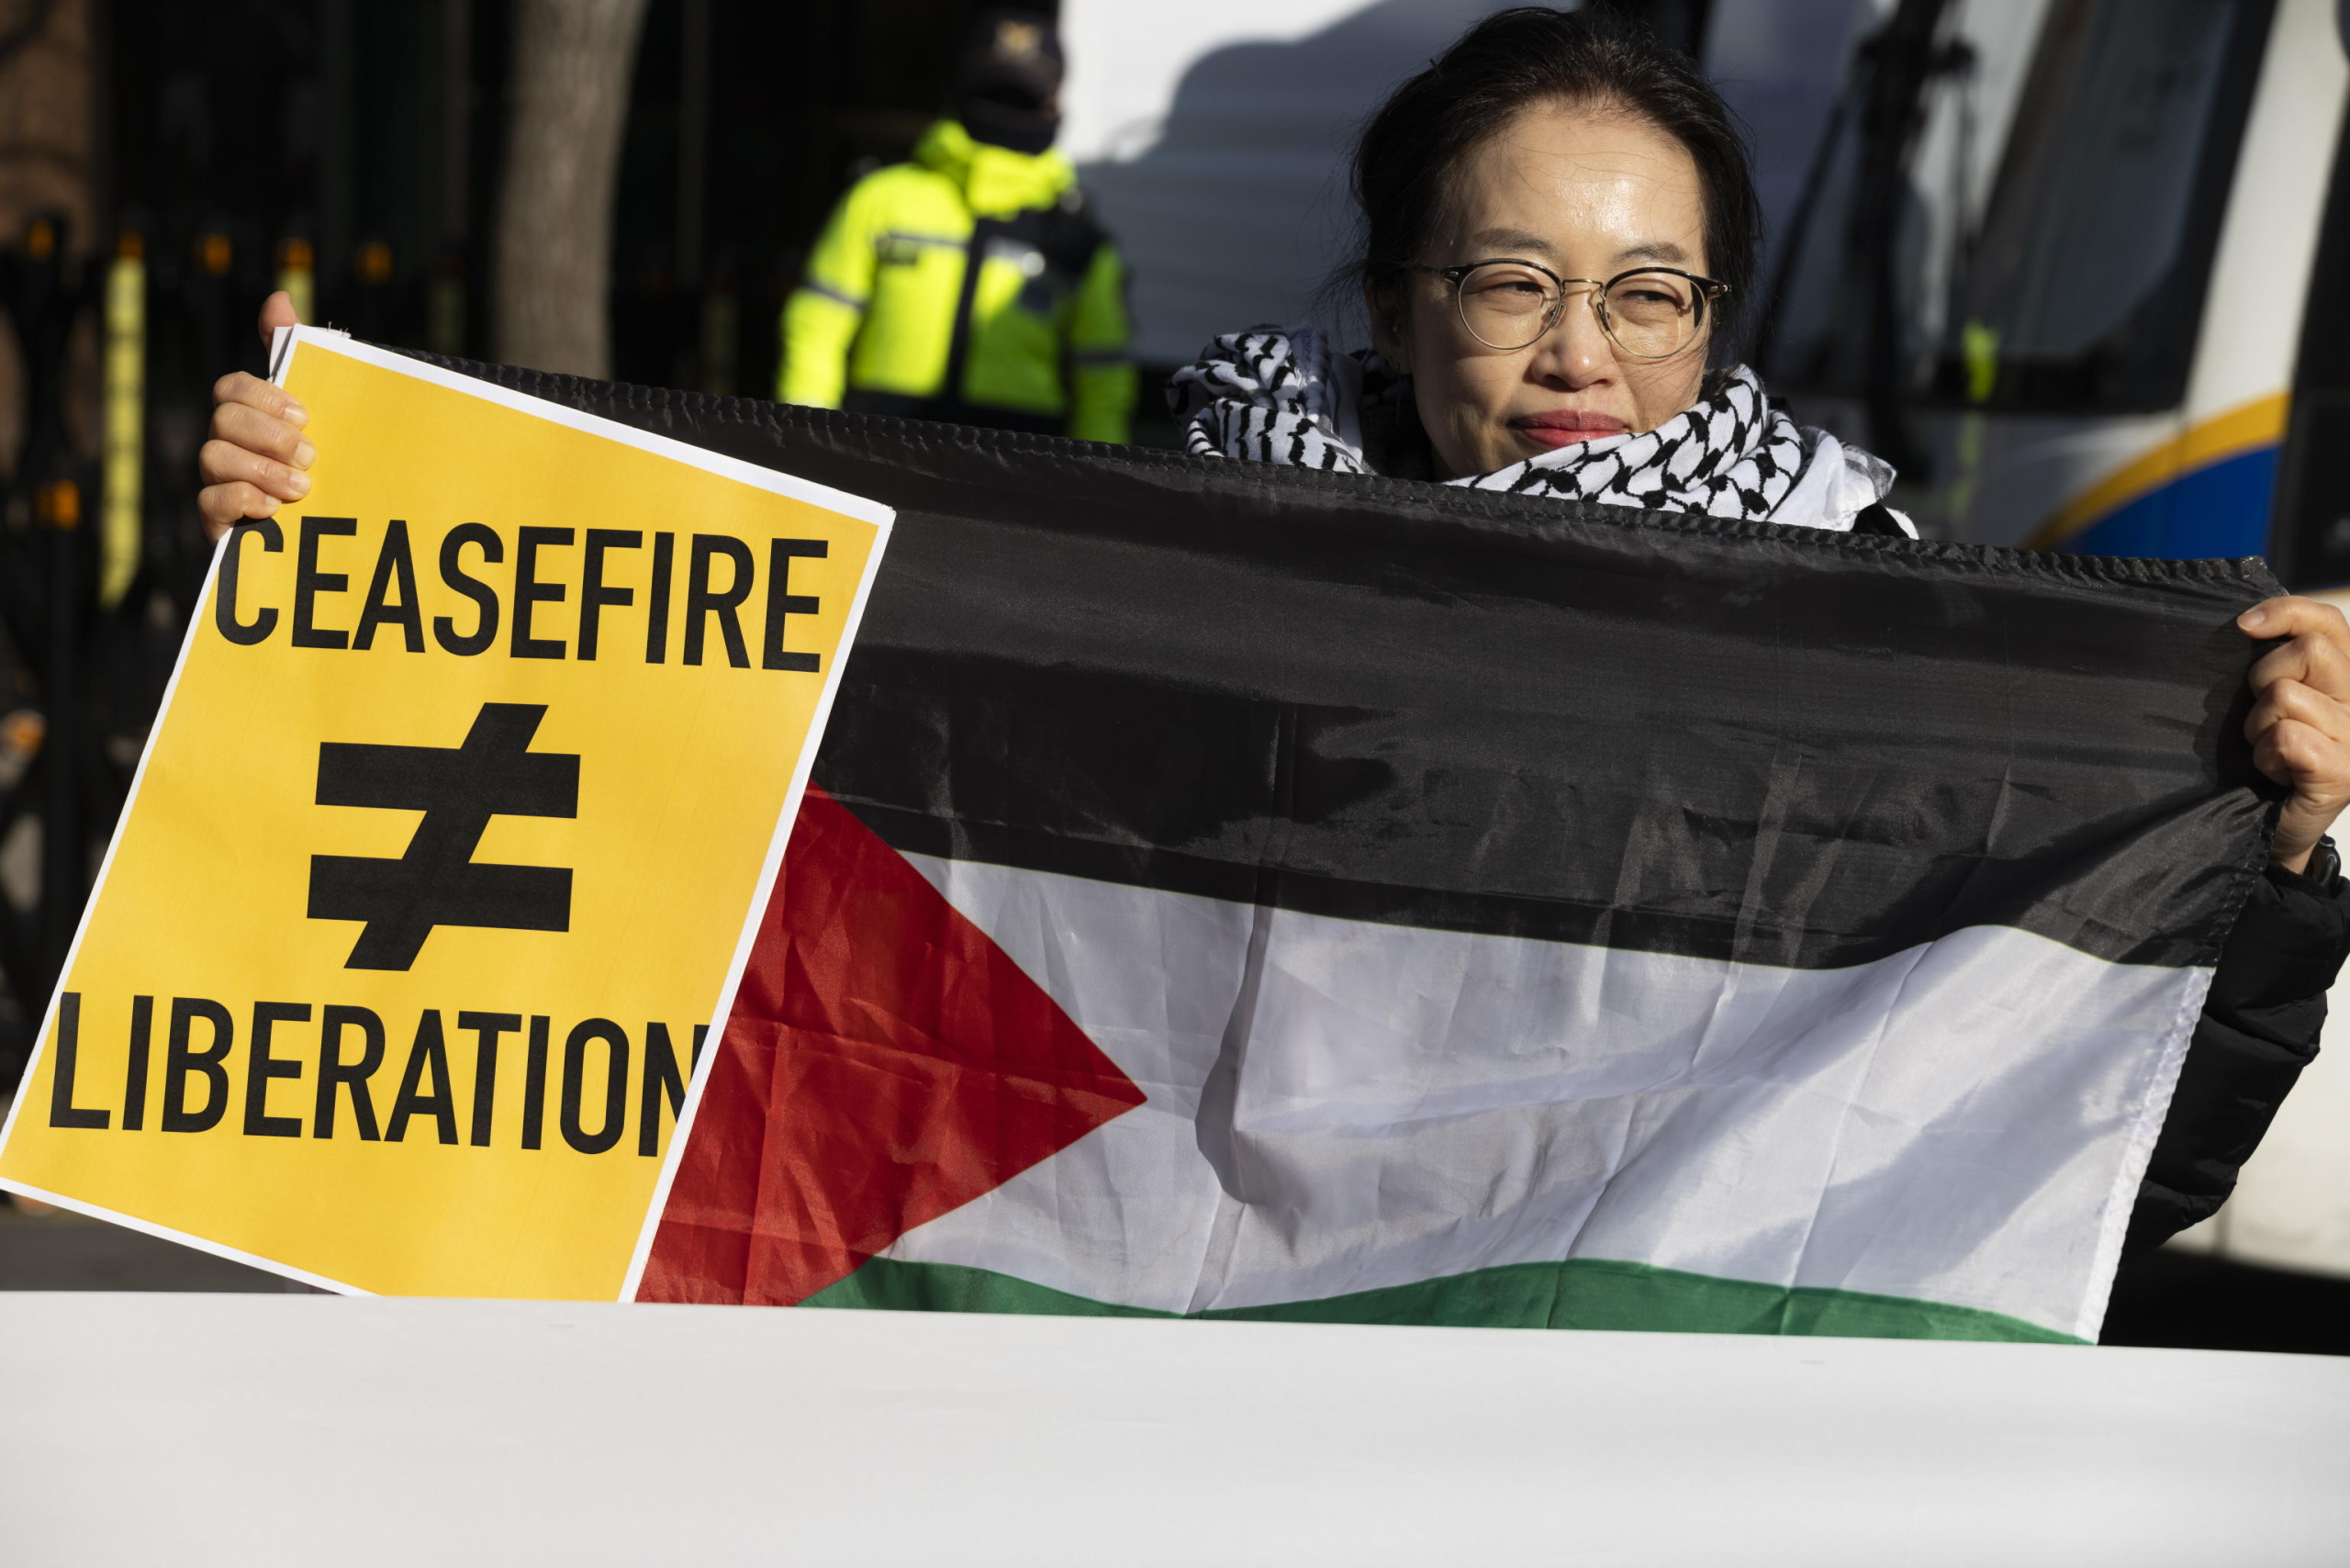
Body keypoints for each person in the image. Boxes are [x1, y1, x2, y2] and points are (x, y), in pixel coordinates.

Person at [196, 7, 2349, 1258]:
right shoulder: (1145, 575)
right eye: (1508, 281)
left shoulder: (1887, 640)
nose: (1578, 351)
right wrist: (366, 520)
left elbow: (2101, 1166)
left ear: (1715, 325)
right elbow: (741, 811)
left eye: (1647, 291)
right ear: (1400, 302)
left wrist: (2252, 852)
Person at [778, 9, 1136, 442]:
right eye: (996, 92)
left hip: (1016, 474)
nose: (1007, 110)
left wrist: (1093, 486)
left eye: (1022, 97)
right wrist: (806, 441)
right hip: (875, 451)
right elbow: (816, 327)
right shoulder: (880, 198)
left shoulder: (1078, 238)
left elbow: (1103, 384)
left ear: (1054, 102)